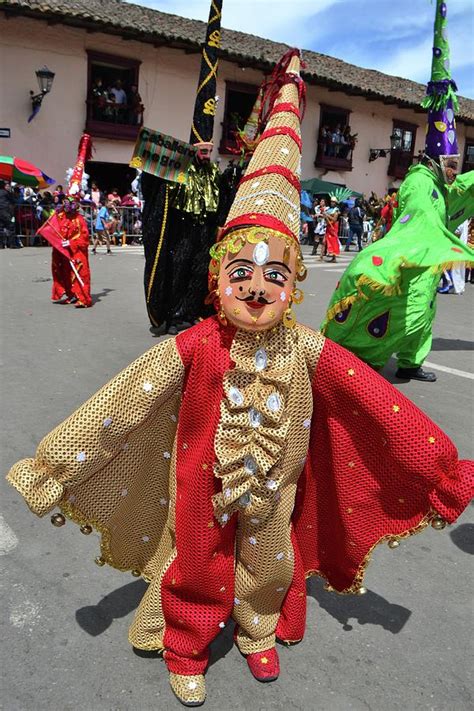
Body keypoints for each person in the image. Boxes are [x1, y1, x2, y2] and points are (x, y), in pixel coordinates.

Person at [6, 50, 473, 709]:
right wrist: (59, 461)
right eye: (242, 275)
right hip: (200, 489)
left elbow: (382, 402)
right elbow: (121, 404)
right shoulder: (196, 344)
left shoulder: (308, 346)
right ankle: (187, 645)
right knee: (195, 565)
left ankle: (256, 630)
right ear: (217, 281)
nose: (258, 288)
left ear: (295, 287)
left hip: (275, 494)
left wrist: (439, 464)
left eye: (275, 276)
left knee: (270, 563)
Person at [322, 0, 474, 382]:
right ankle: (365, 358)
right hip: (408, 260)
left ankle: (411, 361)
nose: (455, 171)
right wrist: (439, 244)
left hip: (426, 262)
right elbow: (421, 215)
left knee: (424, 311)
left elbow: (463, 189)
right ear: (435, 159)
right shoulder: (420, 182)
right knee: (400, 309)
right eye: (451, 164)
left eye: (458, 164)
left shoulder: (443, 181)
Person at [142, 0, 222, 336]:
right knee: (176, 267)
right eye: (200, 149)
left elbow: (224, 197)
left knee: (200, 270)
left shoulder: (215, 173)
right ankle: (170, 314)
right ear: (192, 148)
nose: (205, 153)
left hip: (204, 231)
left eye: (208, 149)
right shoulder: (182, 169)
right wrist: (155, 175)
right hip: (181, 229)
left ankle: (192, 313)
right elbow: (155, 190)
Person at [38, 135, 93, 308]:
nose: (67, 205)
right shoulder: (60, 214)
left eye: (71, 203)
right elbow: (53, 227)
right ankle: (69, 293)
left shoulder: (79, 219)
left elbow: (84, 239)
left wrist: (71, 242)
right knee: (62, 269)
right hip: (62, 249)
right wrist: (58, 240)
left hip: (75, 250)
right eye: (66, 202)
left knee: (79, 269)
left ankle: (82, 296)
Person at [322, 196, 340, 261]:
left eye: (333, 202)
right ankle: (321, 256)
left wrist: (327, 215)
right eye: (331, 201)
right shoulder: (328, 209)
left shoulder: (336, 210)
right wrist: (324, 215)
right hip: (328, 226)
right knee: (324, 241)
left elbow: (334, 219)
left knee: (333, 241)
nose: (332, 203)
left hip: (333, 227)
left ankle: (334, 257)